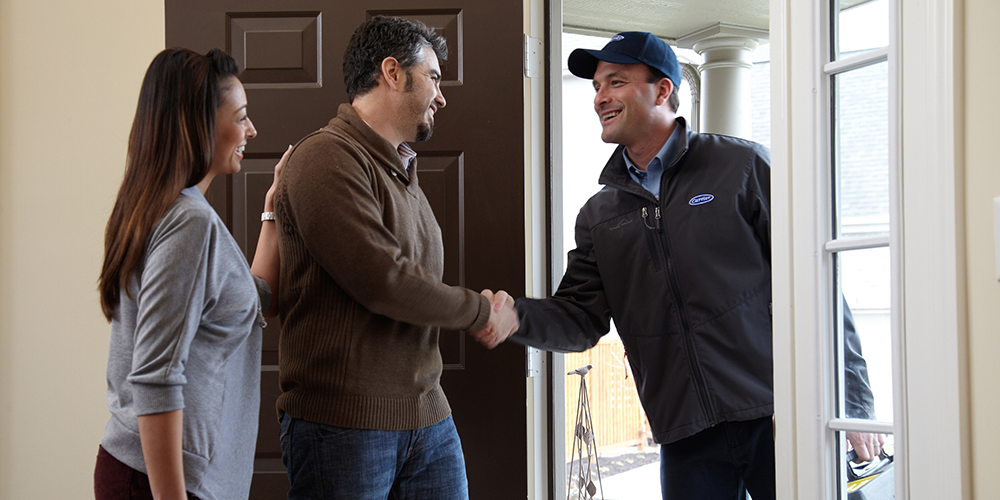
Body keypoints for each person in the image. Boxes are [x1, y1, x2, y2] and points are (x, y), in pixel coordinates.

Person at [475, 31, 880, 499]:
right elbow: (580, 318)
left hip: (777, 415)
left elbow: (818, 285)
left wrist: (852, 401)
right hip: (685, 433)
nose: (600, 98)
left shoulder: (743, 167)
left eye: (616, 82)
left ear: (662, 89)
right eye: (596, 87)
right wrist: (517, 318)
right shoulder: (599, 215)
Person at [272, 16, 518, 499]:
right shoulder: (324, 158)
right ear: (392, 72)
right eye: (434, 77)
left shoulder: (401, 172)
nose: (442, 97)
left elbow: (412, 281)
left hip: (427, 416)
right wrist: (480, 311)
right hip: (343, 426)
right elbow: (382, 279)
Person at [95, 47, 290, 500]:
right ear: (197, 123)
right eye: (240, 117)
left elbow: (248, 302)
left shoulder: (160, 209)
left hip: (146, 473)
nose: (251, 130)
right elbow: (155, 376)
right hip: (161, 482)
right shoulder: (190, 223)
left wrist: (272, 216)